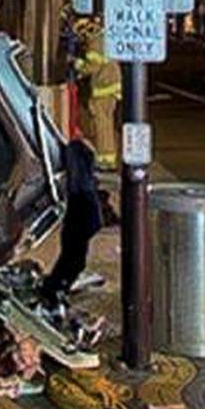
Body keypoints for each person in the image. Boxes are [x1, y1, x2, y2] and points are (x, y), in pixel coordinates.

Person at [40, 137, 105, 308]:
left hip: (76, 222)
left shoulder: (78, 182)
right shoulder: (84, 186)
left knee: (72, 259)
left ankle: (55, 288)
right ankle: (55, 289)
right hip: (78, 222)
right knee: (74, 260)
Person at [74, 17, 121, 170]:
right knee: (107, 125)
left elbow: (91, 67)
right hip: (111, 89)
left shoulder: (95, 44)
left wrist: (77, 64)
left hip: (103, 90)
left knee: (102, 126)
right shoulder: (103, 40)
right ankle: (109, 158)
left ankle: (104, 161)